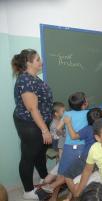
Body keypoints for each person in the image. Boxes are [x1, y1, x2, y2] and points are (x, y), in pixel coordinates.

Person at [12, 49, 53, 200]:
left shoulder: (34, 77)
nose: (41, 62)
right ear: (29, 63)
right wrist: (45, 130)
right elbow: (32, 108)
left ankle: (44, 178)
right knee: (28, 156)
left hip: (39, 122)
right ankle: (28, 192)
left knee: (39, 152)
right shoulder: (25, 79)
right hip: (29, 124)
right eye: (37, 59)